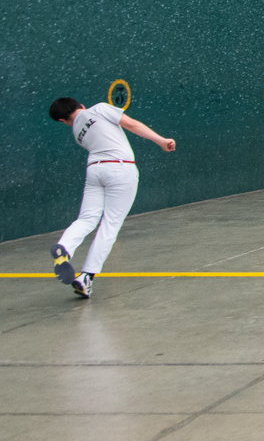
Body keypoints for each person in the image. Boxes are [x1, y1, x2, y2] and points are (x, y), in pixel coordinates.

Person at [48, 95, 176, 300]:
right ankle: (86, 276)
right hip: (119, 168)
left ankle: (65, 247)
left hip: (94, 171)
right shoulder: (99, 108)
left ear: (63, 120)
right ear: (81, 105)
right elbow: (131, 124)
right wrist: (161, 141)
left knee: (87, 219)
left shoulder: (77, 133)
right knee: (110, 225)